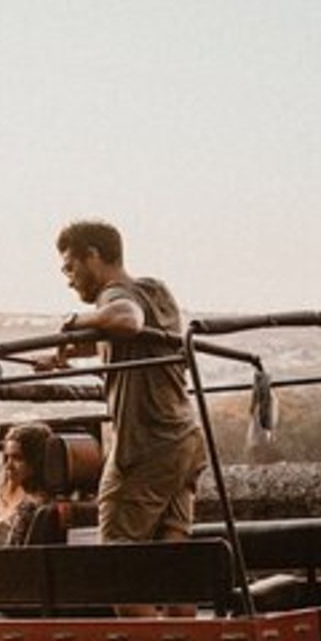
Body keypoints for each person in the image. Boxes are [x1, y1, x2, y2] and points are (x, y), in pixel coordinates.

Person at [39, 220, 206, 614]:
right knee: (172, 568)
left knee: (117, 573)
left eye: (69, 268)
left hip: (143, 446)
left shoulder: (115, 295)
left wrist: (72, 322)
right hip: (183, 438)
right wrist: (65, 355)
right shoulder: (156, 291)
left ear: (93, 256)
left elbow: (126, 321)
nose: (68, 280)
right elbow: (134, 336)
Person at [0, 422, 54, 546]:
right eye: (7, 458)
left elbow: (14, 559)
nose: (8, 466)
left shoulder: (30, 509)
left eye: (17, 458)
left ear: (36, 460)